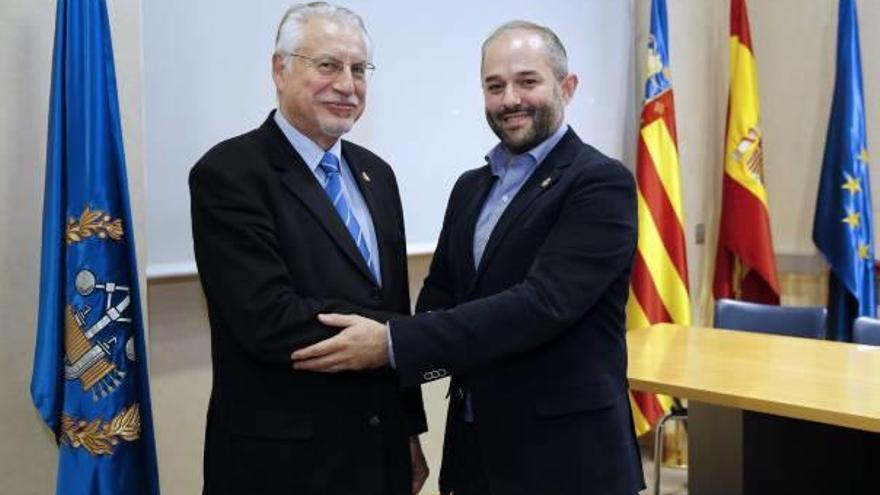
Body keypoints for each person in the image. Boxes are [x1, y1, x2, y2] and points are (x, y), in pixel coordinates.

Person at [292, 20, 646, 495]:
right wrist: (400, 397)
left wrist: (392, 343)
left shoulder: (601, 184)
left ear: (567, 87)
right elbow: (441, 296)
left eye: (528, 81)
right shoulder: (471, 189)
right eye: (494, 86)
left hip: (567, 459)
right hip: (476, 451)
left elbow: (544, 305)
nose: (510, 100)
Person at [189, 3, 427, 494]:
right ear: (281, 69)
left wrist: (409, 432)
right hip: (282, 465)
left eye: (359, 69)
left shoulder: (377, 175)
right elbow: (266, 318)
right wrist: (397, 337)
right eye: (328, 65)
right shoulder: (229, 173)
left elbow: (392, 304)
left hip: (378, 456)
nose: (347, 84)